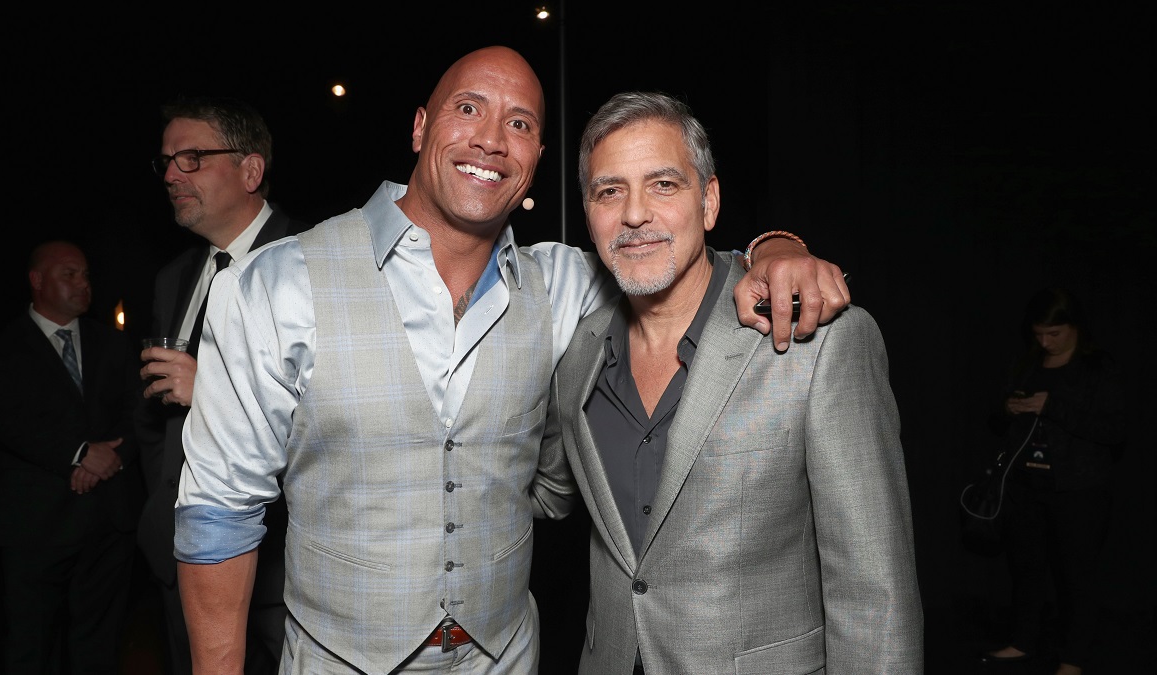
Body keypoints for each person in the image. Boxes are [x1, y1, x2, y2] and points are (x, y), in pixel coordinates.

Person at [175, 46, 851, 675]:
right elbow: (217, 514)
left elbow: (674, 256)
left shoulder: (561, 283)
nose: (492, 139)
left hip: (505, 656)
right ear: (419, 128)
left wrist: (775, 249)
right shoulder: (275, 283)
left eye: (520, 122)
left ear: (537, 156)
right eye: (468, 108)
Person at [535, 90, 924, 674]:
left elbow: (874, 590)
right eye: (609, 191)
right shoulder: (577, 356)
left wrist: (774, 244)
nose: (634, 213)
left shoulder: (815, 342)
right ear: (589, 213)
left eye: (663, 185)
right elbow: (547, 492)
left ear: (710, 201)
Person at [135, 96, 312, 675]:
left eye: (191, 158)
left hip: (286, 569)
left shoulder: (312, 263)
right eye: (164, 162)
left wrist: (211, 386)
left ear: (251, 170)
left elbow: (338, 414)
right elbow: (155, 419)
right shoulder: (173, 278)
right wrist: (161, 520)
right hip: (179, 562)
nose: (170, 176)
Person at [0, 240, 144, 674]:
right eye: (69, 274)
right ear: (36, 281)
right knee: (30, 645)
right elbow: (6, 421)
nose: (83, 283)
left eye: (86, 274)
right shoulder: (2, 348)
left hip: (109, 522)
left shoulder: (113, 343)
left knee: (100, 644)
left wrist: (111, 459)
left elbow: (142, 414)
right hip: (36, 525)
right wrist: (79, 454)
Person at [978, 287, 1125, 675]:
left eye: (1054, 334)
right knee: (1025, 569)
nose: (1045, 341)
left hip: (1079, 492)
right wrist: (1008, 408)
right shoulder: (1029, 363)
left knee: (1076, 577)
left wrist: (1052, 406)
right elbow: (996, 418)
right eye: (1039, 333)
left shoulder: (1097, 368)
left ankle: (1073, 659)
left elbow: (1116, 431)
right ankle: (1022, 642)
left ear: (1075, 327)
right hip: (1026, 487)